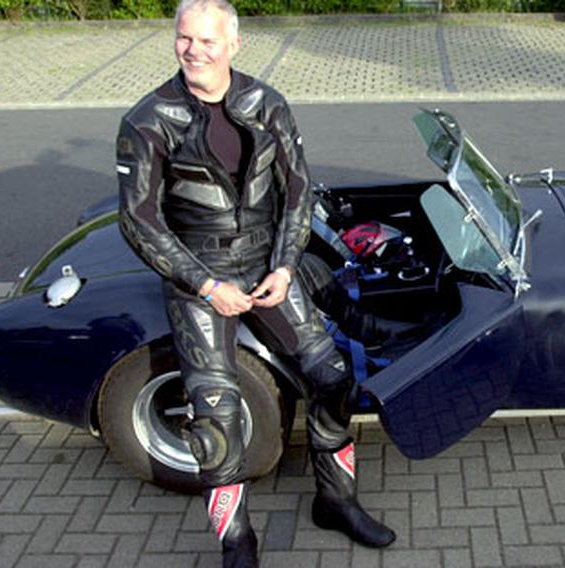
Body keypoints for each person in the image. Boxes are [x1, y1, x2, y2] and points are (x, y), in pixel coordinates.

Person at [115, 1, 395, 565]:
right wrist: (203, 285)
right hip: (199, 279)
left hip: (268, 267)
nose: (193, 51)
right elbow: (138, 219)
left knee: (332, 376)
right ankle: (236, 540)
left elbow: (298, 191)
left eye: (207, 41)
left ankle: (336, 501)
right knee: (217, 419)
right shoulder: (147, 121)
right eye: (184, 38)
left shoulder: (266, 105)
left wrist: (287, 264)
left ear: (234, 45)